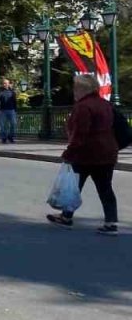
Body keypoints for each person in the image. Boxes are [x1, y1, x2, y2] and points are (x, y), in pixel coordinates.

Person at [48, 74, 119, 235]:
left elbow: (81, 134)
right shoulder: (105, 104)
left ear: (83, 89)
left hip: (86, 154)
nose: (74, 91)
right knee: (105, 188)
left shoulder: (83, 107)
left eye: (76, 88)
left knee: (73, 186)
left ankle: (66, 218)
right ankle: (111, 222)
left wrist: (69, 152)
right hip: (107, 152)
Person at [0, 79, 18, 144]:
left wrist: (15, 110)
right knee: (2, 125)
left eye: (6, 83)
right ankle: (4, 138)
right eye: (4, 83)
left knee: (13, 124)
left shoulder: (12, 92)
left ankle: (11, 137)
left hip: (11, 110)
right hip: (2, 110)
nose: (5, 84)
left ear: (9, 84)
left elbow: (15, 101)